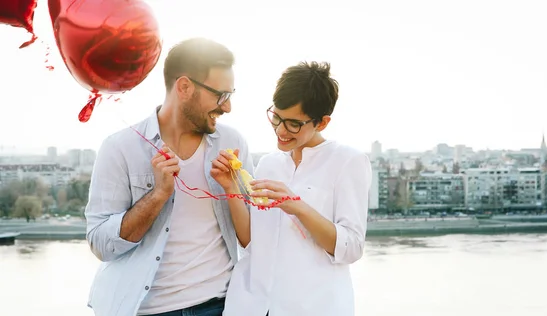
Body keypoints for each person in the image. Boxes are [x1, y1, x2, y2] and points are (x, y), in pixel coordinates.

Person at [84, 37, 254, 316]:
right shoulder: (120, 148)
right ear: (184, 87)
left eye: (230, 95)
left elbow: (251, 238)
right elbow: (101, 244)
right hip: (145, 309)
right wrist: (158, 195)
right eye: (220, 95)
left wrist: (232, 189)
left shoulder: (232, 142)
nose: (227, 107)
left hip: (222, 305)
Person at [211, 61, 372, 316]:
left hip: (312, 307)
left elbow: (351, 247)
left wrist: (297, 206)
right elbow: (252, 241)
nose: (280, 130)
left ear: (322, 122)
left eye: (293, 124)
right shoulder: (269, 163)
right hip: (252, 305)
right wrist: (230, 187)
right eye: (276, 117)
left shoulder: (348, 161)